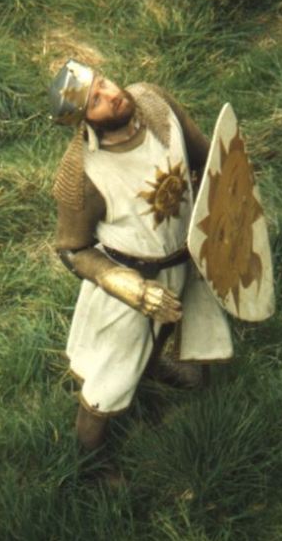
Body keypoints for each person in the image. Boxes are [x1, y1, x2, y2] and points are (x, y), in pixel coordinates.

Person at [48, 59, 220, 475]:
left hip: (182, 257)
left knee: (166, 327)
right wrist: (126, 286)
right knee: (108, 380)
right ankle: (91, 460)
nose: (111, 95)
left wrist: (216, 211)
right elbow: (72, 249)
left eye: (104, 83)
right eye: (95, 101)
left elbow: (207, 159)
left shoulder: (156, 104)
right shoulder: (83, 174)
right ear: (84, 121)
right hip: (129, 283)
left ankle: (154, 365)